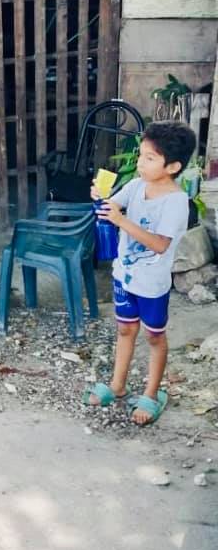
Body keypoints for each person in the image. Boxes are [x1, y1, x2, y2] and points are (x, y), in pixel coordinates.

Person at [84, 121, 197, 425]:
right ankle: (118, 385)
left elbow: (160, 244)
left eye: (149, 158)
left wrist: (121, 221)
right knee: (124, 330)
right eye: (141, 155)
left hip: (152, 285)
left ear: (172, 166)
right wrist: (101, 198)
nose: (140, 163)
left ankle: (151, 393)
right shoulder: (135, 186)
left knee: (155, 336)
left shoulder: (176, 203)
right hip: (124, 276)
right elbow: (112, 208)